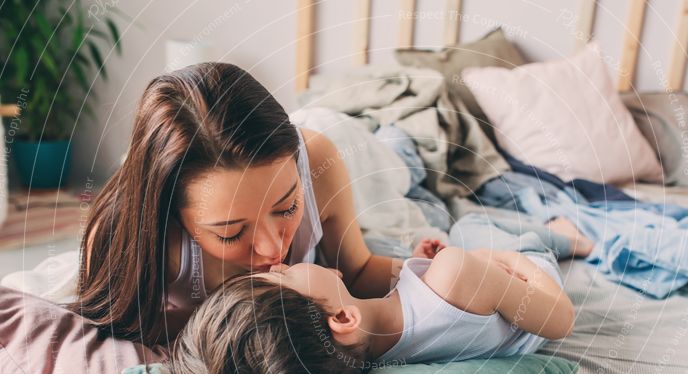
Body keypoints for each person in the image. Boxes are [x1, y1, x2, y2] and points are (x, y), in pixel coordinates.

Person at [66, 62, 442, 346]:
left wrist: (432, 273)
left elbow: (357, 271)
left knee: (408, 163)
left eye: (287, 209)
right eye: (231, 232)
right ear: (171, 214)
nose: (273, 247)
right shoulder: (123, 240)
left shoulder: (317, 164)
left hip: (343, 138)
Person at [156, 213, 585, 374]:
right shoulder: (454, 274)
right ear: (343, 316)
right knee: (472, 223)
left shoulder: (359, 360)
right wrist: (494, 261)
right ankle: (565, 234)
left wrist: (425, 267)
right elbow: (561, 319)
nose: (280, 261)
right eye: (283, 275)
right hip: (527, 284)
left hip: (478, 293)